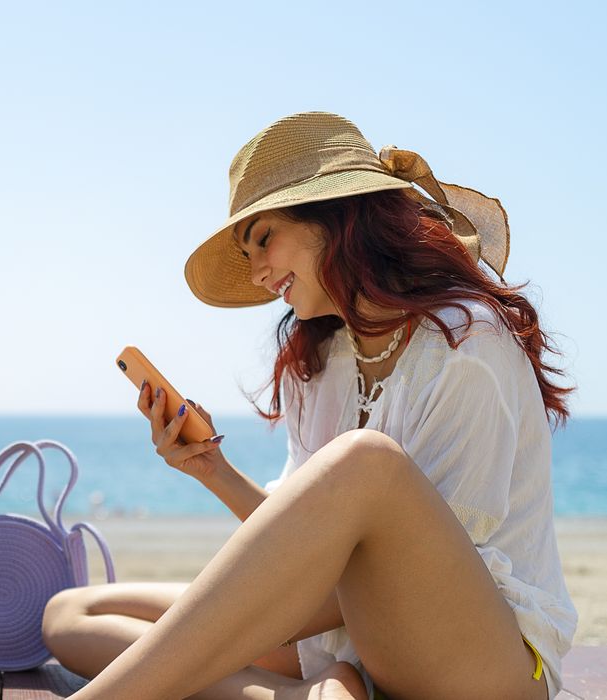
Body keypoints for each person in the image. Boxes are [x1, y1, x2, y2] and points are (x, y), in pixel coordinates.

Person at [40, 112, 578, 700]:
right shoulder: (320, 363)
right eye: (247, 253)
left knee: (366, 462)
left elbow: (391, 580)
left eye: (264, 238)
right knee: (71, 614)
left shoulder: (464, 345)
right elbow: (306, 543)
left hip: (481, 670)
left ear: (338, 220)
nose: (258, 271)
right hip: (351, 642)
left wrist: (229, 625)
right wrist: (214, 472)